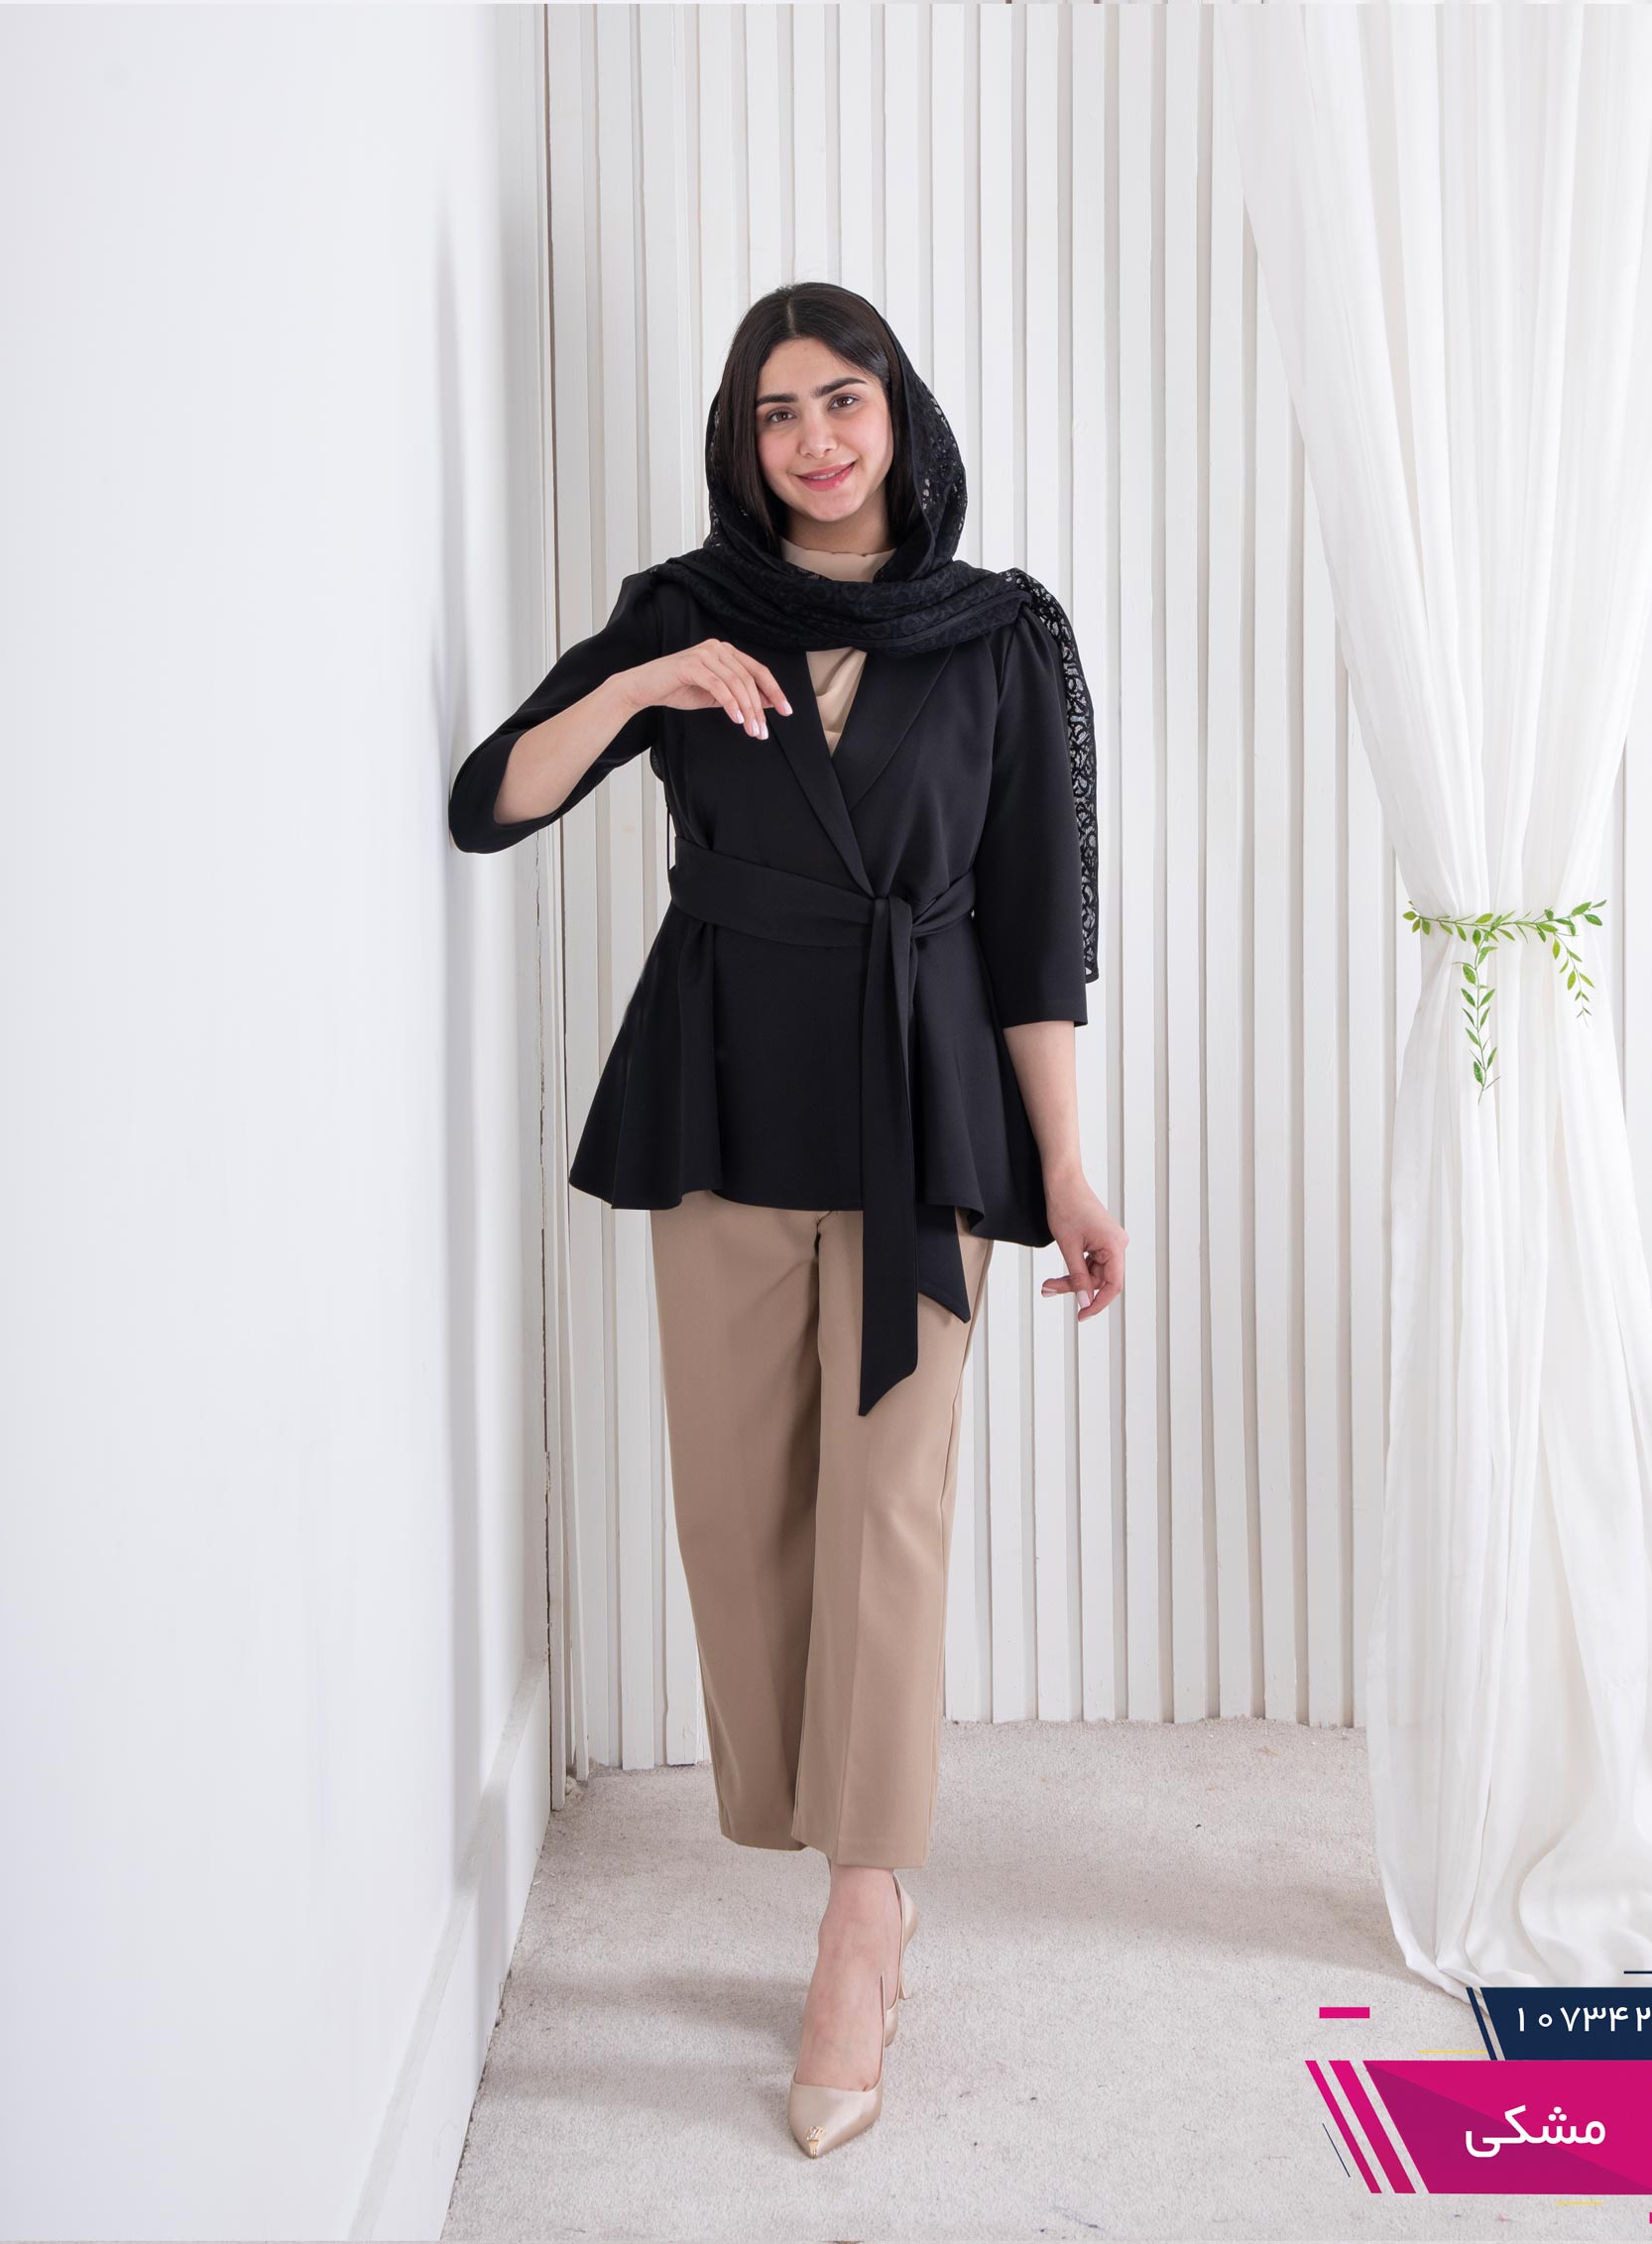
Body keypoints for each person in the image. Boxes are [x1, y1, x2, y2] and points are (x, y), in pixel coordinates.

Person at [448, 282, 1126, 2159]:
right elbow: (489, 804)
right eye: (775, 413)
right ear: (740, 444)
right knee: (742, 1514)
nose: (815, 440)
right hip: (724, 1099)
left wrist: (1066, 1166)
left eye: (843, 399)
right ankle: (823, 1849)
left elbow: (1036, 933)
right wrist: (636, 687)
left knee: (888, 1518)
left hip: (927, 1114)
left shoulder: (999, 633)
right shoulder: (687, 609)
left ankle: (863, 1912)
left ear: (898, 412)